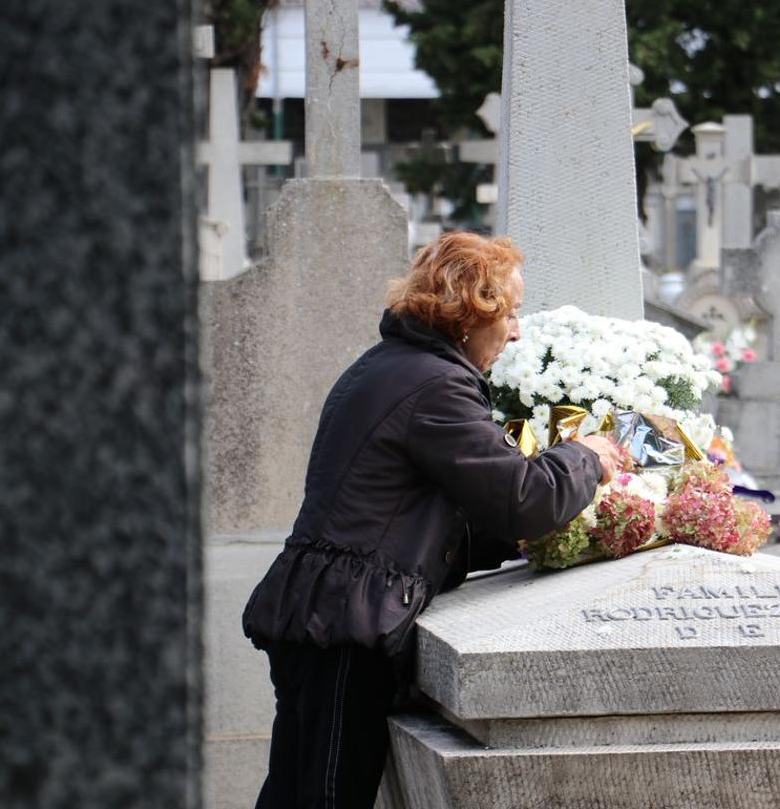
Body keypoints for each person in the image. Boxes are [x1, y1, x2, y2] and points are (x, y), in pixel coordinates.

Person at [243, 231, 621, 808]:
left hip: (324, 612)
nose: (516, 330)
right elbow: (524, 497)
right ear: (471, 314)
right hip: (348, 623)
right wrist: (588, 455)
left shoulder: (393, 364)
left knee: (293, 792)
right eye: (510, 313)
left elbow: (411, 512)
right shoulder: (436, 384)